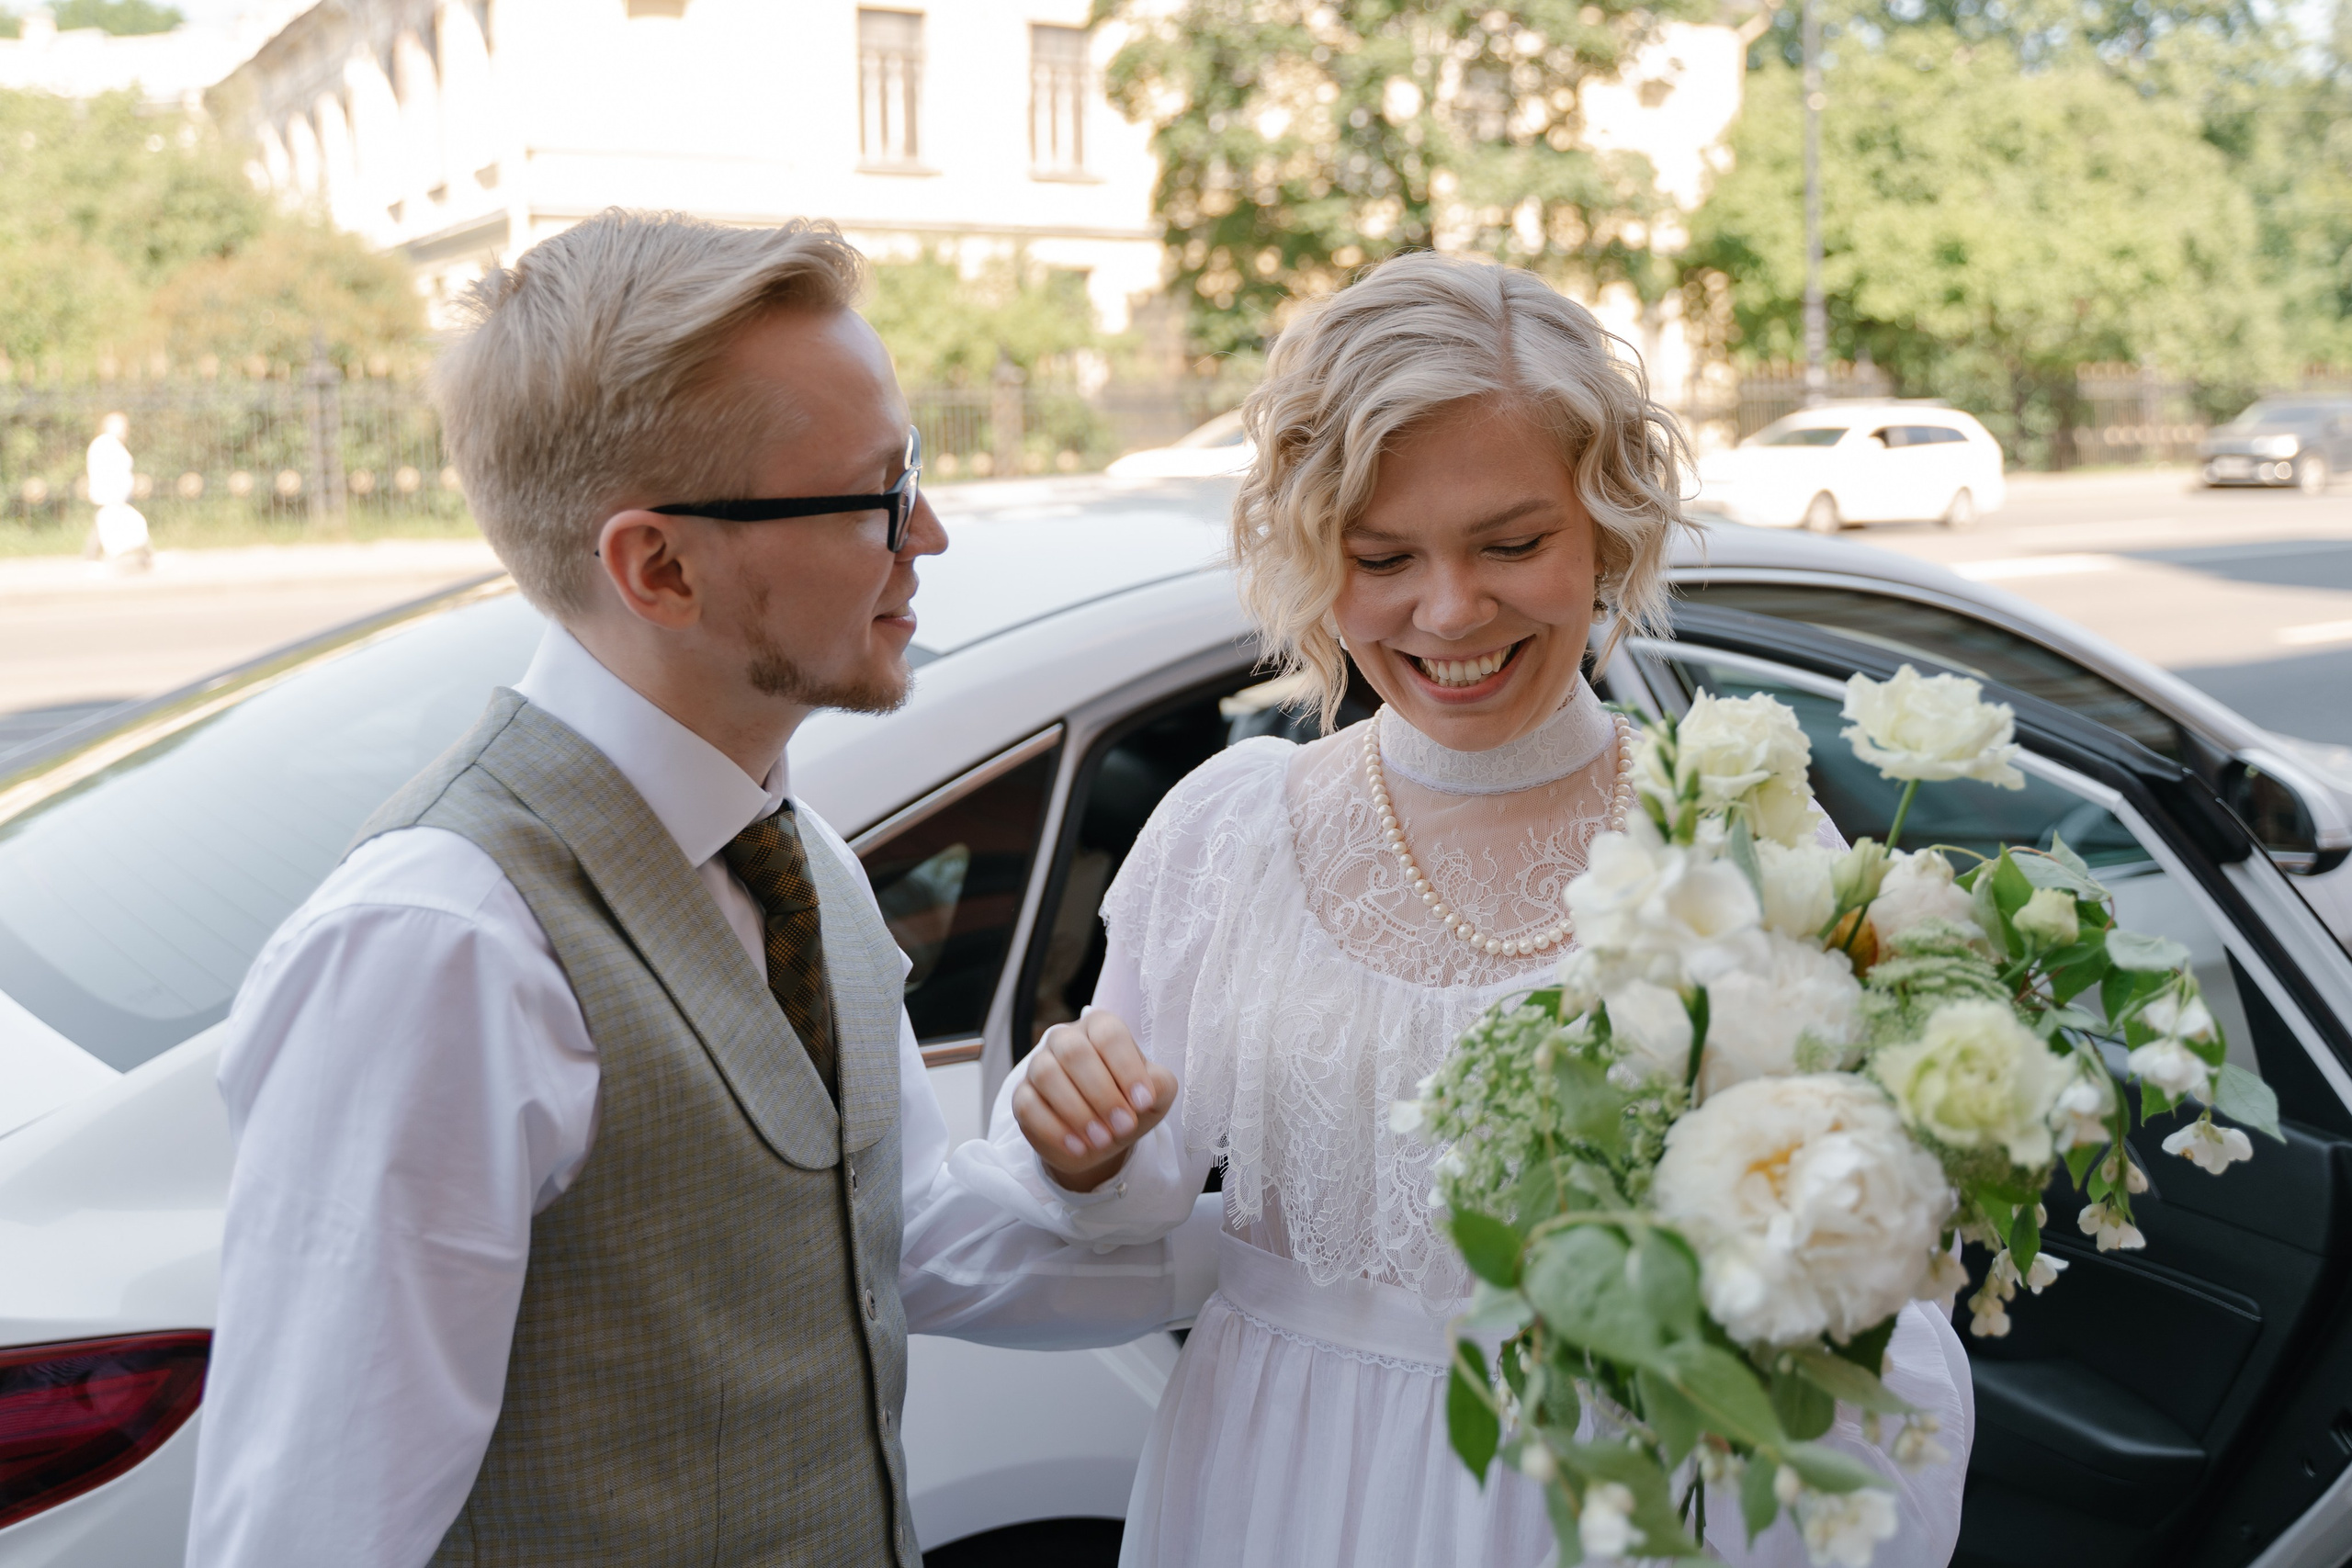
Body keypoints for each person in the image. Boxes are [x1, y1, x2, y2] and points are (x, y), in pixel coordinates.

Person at [186, 210, 1208, 1568]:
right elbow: (309, 1530)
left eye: (918, 472)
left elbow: (900, 1244)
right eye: (879, 494)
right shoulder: (444, 944)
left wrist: (1112, 1184)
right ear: (657, 566)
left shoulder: (799, 856)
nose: (934, 534)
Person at [963, 251, 1973, 1566]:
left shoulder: (1747, 843)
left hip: (1614, 1495)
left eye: (1513, 542)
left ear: (1607, 530)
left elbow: (1855, 1268)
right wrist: (1079, 1147)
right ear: (1318, 556)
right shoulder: (1232, 829)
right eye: (1383, 555)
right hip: (1281, 1483)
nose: (1450, 610)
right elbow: (1139, 1187)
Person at [85, 410, 150, 570]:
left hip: (114, 497)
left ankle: (144, 556)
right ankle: (145, 556)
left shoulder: (108, 444)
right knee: (130, 524)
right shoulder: (106, 444)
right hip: (112, 497)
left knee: (115, 524)